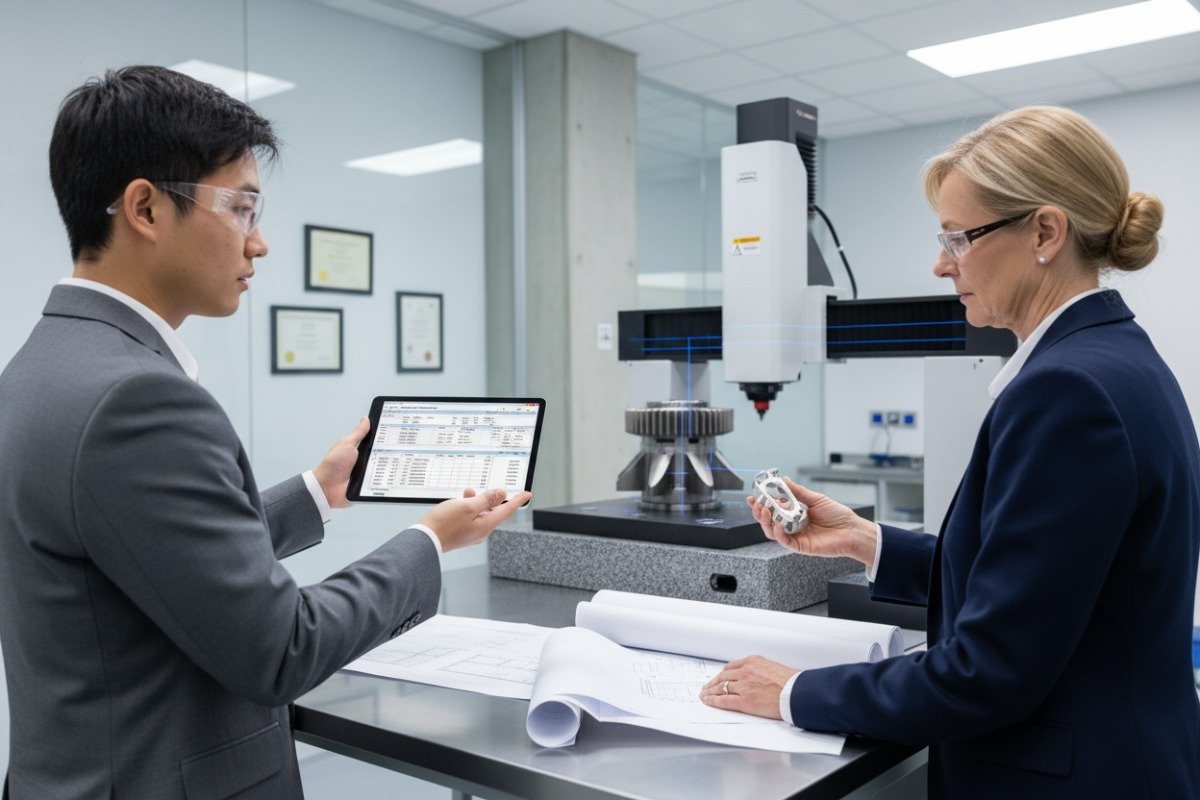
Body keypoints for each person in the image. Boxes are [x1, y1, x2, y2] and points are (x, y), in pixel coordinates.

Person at [0, 65, 530, 800]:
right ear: (146, 209)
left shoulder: (38, 369)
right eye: (243, 210)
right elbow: (280, 648)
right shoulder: (138, 397)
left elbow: (148, 556)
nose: (260, 244)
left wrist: (315, 492)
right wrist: (430, 542)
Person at [700, 106, 1200, 799]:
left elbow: (988, 672)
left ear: (1045, 232)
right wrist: (869, 542)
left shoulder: (1068, 391)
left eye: (959, 238)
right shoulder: (1116, 359)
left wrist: (793, 691)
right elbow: (1042, 584)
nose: (941, 264)